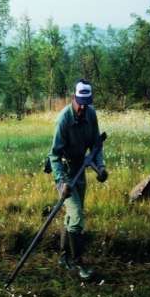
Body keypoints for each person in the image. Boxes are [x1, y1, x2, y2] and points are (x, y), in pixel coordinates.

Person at [48, 79, 108, 279]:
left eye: (86, 102)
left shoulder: (91, 114)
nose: (83, 106)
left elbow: (96, 146)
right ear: (73, 97)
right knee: (77, 217)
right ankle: (78, 263)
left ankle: (64, 257)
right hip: (65, 171)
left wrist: (100, 167)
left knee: (72, 216)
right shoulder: (63, 119)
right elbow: (53, 155)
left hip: (80, 169)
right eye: (80, 101)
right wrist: (62, 181)